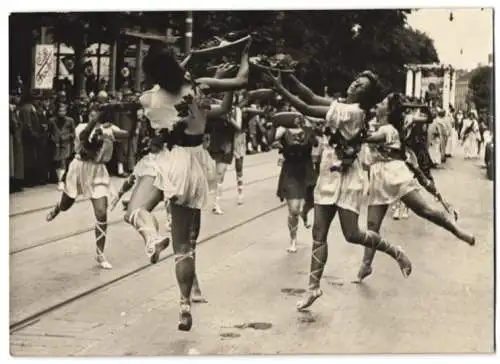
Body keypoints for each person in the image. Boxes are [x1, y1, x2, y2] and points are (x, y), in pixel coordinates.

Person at [123, 38, 252, 331]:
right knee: (184, 246)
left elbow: (163, 85)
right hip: (192, 164)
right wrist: (244, 54)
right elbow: (241, 82)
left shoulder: (146, 98)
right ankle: (184, 305)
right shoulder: (199, 88)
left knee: (136, 209)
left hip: (163, 159)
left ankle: (151, 237)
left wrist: (180, 63)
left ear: (152, 74)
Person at [265, 70, 412, 311]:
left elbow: (307, 107)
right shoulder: (342, 105)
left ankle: (395, 251)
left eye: (360, 85)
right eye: (356, 80)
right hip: (329, 171)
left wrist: (278, 88)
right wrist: (287, 76)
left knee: (351, 234)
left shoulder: (353, 112)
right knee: (318, 232)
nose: (354, 84)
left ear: (365, 96)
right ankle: (313, 287)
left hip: (348, 177)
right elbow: (311, 95)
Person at [356, 93, 476, 282]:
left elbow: (371, 138)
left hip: (396, 174)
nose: (378, 104)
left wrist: (416, 106)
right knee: (372, 226)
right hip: (378, 178)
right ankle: (366, 265)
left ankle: (457, 230)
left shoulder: (389, 129)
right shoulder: (375, 124)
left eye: (383, 103)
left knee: (425, 210)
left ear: (389, 110)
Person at [46, 105, 128, 269]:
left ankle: (100, 253)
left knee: (101, 212)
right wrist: (94, 121)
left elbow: (125, 135)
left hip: (97, 171)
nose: (95, 117)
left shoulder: (109, 128)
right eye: (92, 114)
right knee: (66, 204)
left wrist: (131, 114)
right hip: (79, 169)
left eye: (98, 114)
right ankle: (57, 208)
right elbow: (84, 138)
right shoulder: (81, 127)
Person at [272, 113, 317, 253]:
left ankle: (304, 214)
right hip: (290, 171)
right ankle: (293, 239)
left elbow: (315, 143)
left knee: (310, 202)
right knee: (293, 209)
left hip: (306, 171)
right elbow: (271, 139)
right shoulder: (283, 130)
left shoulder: (308, 129)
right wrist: (276, 128)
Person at [48, 103, 76, 190]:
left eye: (64, 110)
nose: (62, 112)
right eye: (60, 110)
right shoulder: (52, 121)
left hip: (66, 143)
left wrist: (67, 137)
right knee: (57, 162)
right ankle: (59, 179)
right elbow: (49, 132)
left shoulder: (70, 120)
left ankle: (61, 181)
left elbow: (73, 133)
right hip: (55, 144)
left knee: (63, 161)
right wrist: (52, 138)